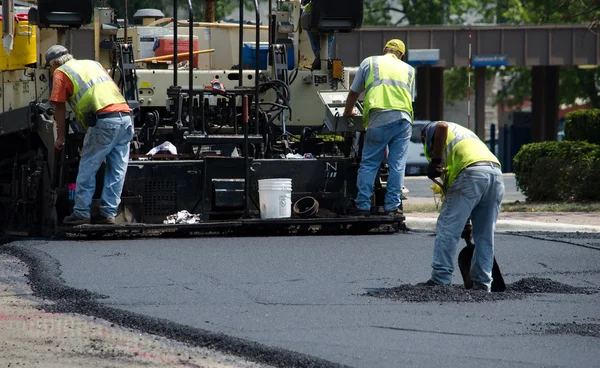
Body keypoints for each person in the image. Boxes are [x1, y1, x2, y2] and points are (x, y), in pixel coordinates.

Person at [46, 45, 134, 225]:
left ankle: (81, 212)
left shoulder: (61, 72)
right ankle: (108, 213)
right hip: (125, 117)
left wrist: (60, 137)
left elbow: (59, 107)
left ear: (54, 63)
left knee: (88, 166)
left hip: (104, 121)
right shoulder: (94, 64)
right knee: (117, 170)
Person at [420, 121, 505, 292]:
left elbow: (441, 126)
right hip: (495, 174)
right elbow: (459, 196)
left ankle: (440, 280)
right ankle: (482, 283)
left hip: (470, 172)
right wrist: (465, 222)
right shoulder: (465, 137)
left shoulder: (434, 130)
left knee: (447, 228)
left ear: (424, 138)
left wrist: (435, 161)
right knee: (485, 234)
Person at [342, 39, 415, 217]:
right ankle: (392, 207)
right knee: (397, 165)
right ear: (401, 55)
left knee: (370, 163)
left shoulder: (370, 62)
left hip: (380, 117)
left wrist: (348, 112)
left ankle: (363, 206)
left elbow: (354, 92)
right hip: (403, 118)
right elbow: (409, 98)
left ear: (385, 50)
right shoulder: (409, 69)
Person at [300, 0, 334, 70]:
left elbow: (304, 2)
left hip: (317, 16)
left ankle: (319, 56)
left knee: (308, 21)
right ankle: (326, 57)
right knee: (332, 28)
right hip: (339, 17)